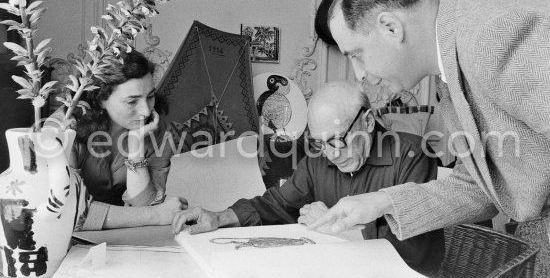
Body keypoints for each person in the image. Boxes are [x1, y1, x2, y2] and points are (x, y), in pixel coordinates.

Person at [308, 0, 550, 250]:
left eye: (356, 54)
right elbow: (478, 186)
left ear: (391, 28)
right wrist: (383, 201)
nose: (359, 74)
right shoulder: (449, 75)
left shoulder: (490, 36)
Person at [171, 80, 443, 274]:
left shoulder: (413, 155)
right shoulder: (319, 158)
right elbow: (277, 204)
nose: (331, 155)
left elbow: (415, 250)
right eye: (319, 143)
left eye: (337, 140)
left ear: (368, 122)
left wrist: (342, 229)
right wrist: (219, 217)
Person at [46, 48, 187, 230]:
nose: (145, 111)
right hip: (59, 240)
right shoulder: (63, 128)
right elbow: (71, 213)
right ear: (100, 99)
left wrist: (135, 149)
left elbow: (144, 205)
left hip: (119, 239)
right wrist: (157, 215)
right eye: (131, 101)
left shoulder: (156, 130)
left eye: (150, 96)